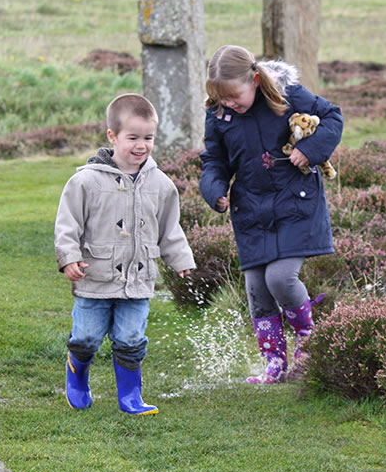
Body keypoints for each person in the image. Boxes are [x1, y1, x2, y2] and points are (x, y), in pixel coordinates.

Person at [199, 45, 342, 384]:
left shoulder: (288, 93)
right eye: (223, 99)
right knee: (258, 292)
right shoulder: (219, 115)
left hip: (296, 203)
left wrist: (309, 150)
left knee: (280, 278)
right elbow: (214, 160)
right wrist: (214, 189)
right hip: (250, 212)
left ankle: (308, 341)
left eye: (236, 96)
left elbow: (333, 117)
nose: (230, 104)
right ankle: (274, 363)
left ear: (256, 79)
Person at [55, 93, 195, 414]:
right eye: (132, 137)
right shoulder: (85, 181)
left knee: (131, 338)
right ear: (112, 136)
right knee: (87, 337)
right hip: (94, 278)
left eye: (148, 138)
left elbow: (170, 229)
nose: (141, 145)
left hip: (139, 279)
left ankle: (130, 397)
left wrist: (181, 260)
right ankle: (77, 378)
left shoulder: (161, 185)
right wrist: (69, 258)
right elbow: (67, 225)